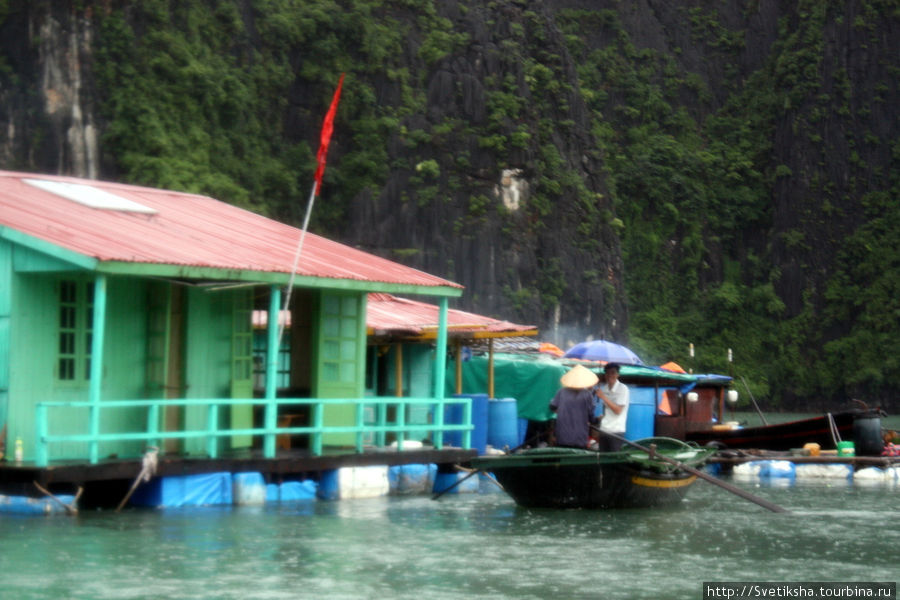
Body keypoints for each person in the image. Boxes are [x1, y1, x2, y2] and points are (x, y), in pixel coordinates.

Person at [549, 364, 598, 448]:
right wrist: (597, 420)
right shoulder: (587, 395)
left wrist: (561, 412)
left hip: (562, 435)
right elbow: (591, 417)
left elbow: (552, 406)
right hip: (580, 437)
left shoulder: (561, 392)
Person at [595, 362, 629, 452]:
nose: (610, 375)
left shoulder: (623, 389)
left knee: (613, 460)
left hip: (616, 431)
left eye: (613, 372)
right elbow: (606, 408)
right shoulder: (604, 388)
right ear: (605, 375)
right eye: (608, 373)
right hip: (604, 429)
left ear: (618, 375)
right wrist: (603, 416)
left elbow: (618, 410)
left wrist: (603, 397)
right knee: (602, 459)